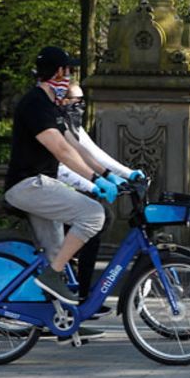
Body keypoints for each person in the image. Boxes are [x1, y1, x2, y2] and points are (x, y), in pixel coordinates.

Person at [4, 46, 118, 325]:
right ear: (59, 72)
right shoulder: (34, 104)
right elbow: (60, 150)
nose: (69, 78)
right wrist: (95, 181)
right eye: (68, 71)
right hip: (29, 185)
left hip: (38, 185)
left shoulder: (51, 105)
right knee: (93, 215)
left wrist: (108, 173)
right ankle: (51, 277)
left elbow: (75, 144)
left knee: (57, 255)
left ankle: (65, 322)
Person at [55, 83, 147, 303]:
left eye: (82, 102)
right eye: (75, 101)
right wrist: (95, 185)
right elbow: (60, 168)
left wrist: (128, 173)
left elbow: (93, 154)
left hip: (69, 192)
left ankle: (83, 291)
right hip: (52, 193)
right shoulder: (55, 127)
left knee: (101, 220)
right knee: (99, 218)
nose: (81, 107)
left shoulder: (73, 127)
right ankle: (79, 287)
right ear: (62, 102)